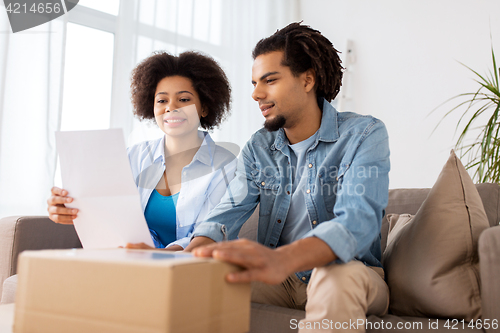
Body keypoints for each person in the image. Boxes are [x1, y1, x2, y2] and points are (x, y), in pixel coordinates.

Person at [185, 23, 391, 332]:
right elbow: (224, 215)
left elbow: (357, 222)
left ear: (308, 79)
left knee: (335, 276)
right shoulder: (259, 146)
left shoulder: (364, 134)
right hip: (281, 280)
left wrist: (283, 259)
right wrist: (185, 260)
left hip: (352, 274)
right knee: (202, 281)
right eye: (255, 83)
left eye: (269, 80)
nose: (256, 94)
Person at [47, 51, 237, 250]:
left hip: (188, 269)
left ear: (204, 107)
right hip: (126, 263)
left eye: (183, 99)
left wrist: (157, 256)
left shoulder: (225, 165)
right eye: (162, 101)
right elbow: (104, 210)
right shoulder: (132, 156)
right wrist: (68, 207)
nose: (171, 108)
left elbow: (208, 235)